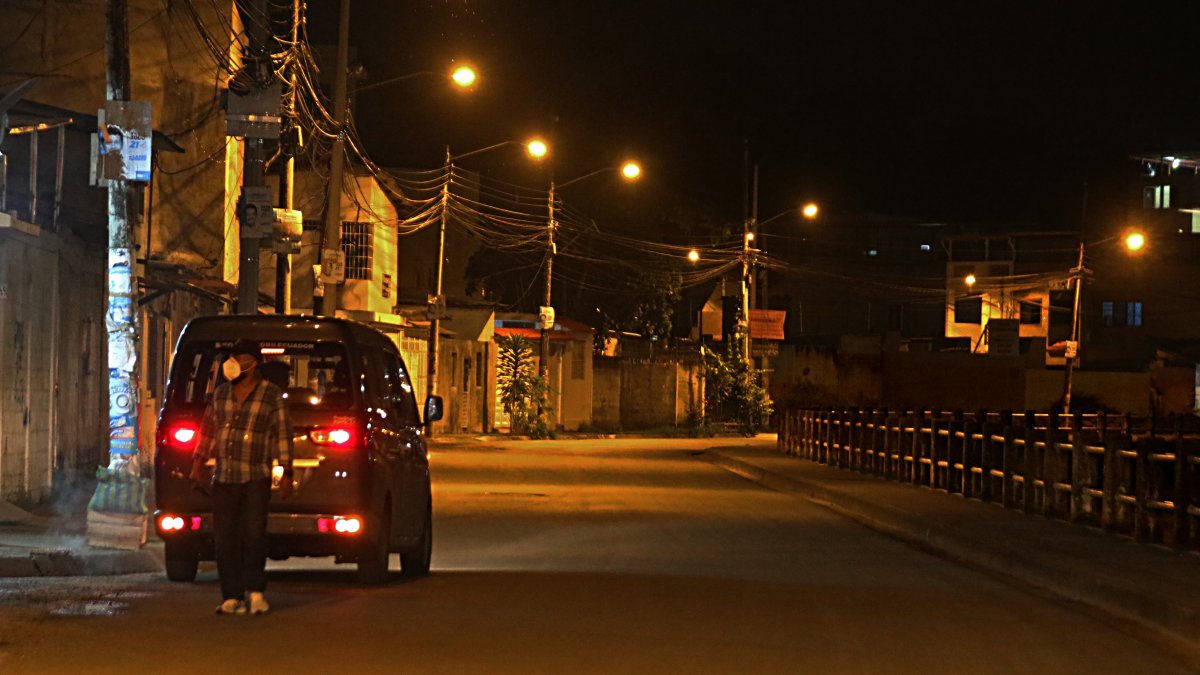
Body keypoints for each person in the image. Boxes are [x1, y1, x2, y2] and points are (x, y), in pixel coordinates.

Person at [190, 340, 294, 615]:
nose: (235, 365)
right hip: (224, 477)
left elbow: (282, 434)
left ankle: (256, 591)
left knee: (254, 536)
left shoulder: (271, 395)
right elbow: (208, 429)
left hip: (255, 477)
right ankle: (231, 596)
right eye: (233, 359)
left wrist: (286, 472)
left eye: (242, 360)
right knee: (224, 538)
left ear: (255, 364)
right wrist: (198, 463)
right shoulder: (221, 394)